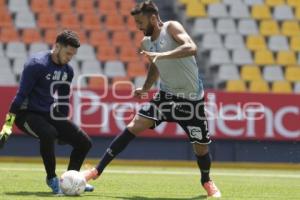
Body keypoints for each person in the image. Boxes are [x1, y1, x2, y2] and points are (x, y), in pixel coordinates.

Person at [82, 0, 221, 198]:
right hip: (165, 97)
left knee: (200, 147)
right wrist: (146, 87)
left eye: (140, 22)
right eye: (136, 22)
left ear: (154, 18)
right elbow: (155, 66)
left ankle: (206, 181)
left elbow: (191, 47)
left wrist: (162, 54)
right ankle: (96, 171)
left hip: (191, 101)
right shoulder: (146, 43)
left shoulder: (172, 27)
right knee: (133, 126)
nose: (138, 26)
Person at [0, 30, 94, 195]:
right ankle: (52, 178)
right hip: (25, 114)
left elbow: (63, 100)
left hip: (48, 112)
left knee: (84, 142)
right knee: (49, 133)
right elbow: (20, 95)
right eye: (67, 53)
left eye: (72, 55)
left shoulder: (68, 71)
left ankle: (72, 180)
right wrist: (7, 126)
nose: (69, 58)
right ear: (57, 46)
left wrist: (65, 128)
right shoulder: (36, 64)